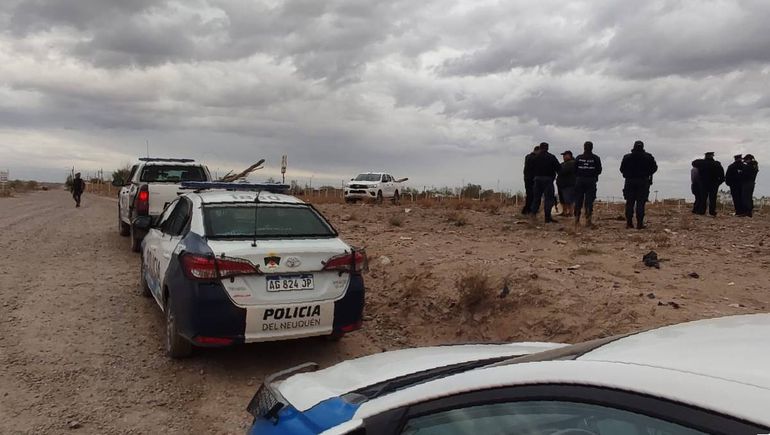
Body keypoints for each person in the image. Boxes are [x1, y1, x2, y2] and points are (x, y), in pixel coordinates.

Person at [620, 141, 657, 229]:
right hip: (643, 181)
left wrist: (627, 174)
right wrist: (647, 173)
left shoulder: (627, 157)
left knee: (629, 202)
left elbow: (622, 169)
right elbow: (654, 168)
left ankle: (629, 223)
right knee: (641, 202)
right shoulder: (648, 157)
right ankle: (639, 224)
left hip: (630, 181)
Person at [529, 142, 561, 223]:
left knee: (536, 198)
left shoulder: (535, 157)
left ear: (540, 148)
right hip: (548, 180)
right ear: (547, 148)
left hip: (537, 179)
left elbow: (530, 169)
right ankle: (547, 218)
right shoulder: (551, 157)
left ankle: (533, 215)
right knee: (548, 199)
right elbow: (559, 168)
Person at [573, 141, 602, 228]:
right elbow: (599, 170)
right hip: (591, 180)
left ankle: (576, 220)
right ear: (592, 148)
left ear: (584, 147)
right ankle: (588, 221)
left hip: (579, 180)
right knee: (589, 201)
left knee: (578, 200)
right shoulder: (596, 158)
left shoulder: (578, 157)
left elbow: (574, 169)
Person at [692, 152, 725, 216]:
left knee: (703, 197)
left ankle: (702, 211)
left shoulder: (701, 163)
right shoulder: (717, 164)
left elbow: (693, 163)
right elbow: (722, 176)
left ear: (705, 156)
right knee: (713, 198)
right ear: (712, 156)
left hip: (703, 183)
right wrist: (718, 183)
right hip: (714, 183)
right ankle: (712, 211)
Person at [556, 151, 576, 217]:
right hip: (561, 184)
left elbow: (562, 170)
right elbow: (558, 170)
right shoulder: (563, 163)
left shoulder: (572, 163)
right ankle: (564, 212)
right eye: (563, 155)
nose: (564, 157)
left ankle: (570, 212)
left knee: (568, 200)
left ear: (569, 155)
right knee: (562, 200)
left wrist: (559, 170)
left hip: (568, 184)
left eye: (565, 155)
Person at [521, 145, 540, 215]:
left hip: (527, 178)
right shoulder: (534, 157)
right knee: (532, 194)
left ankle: (527, 209)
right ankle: (528, 209)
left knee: (529, 194)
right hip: (531, 178)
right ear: (537, 151)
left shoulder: (527, 156)